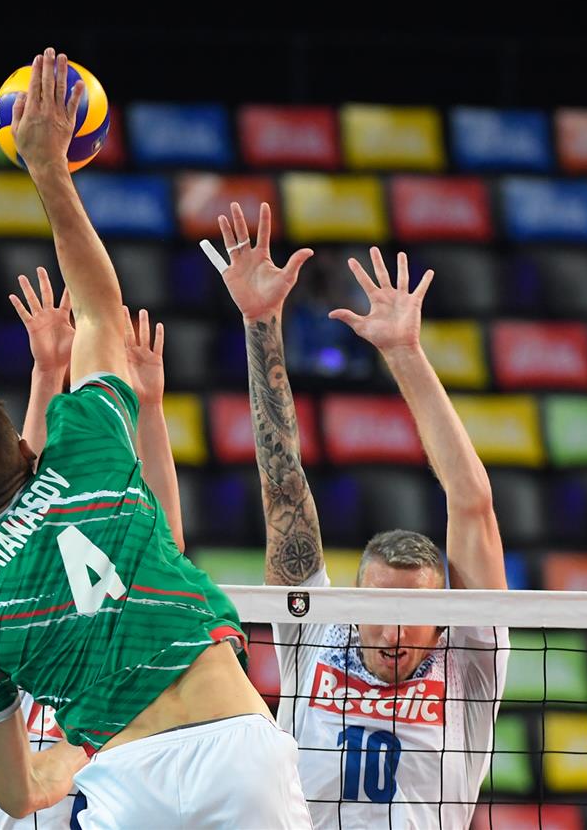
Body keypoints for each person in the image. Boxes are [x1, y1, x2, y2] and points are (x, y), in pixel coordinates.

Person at [0, 48, 308, 828]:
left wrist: (71, 754)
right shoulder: (88, 444)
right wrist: (49, 170)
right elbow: (101, 310)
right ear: (24, 444)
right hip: (235, 748)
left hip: (125, 783)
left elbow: (15, 793)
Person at [205, 207, 510, 828]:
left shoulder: (469, 665)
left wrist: (405, 353)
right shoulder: (315, 630)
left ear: (443, 619)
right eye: (379, 607)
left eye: (413, 613)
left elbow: (471, 502)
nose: (394, 631)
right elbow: (282, 485)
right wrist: (261, 322)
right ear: (352, 600)